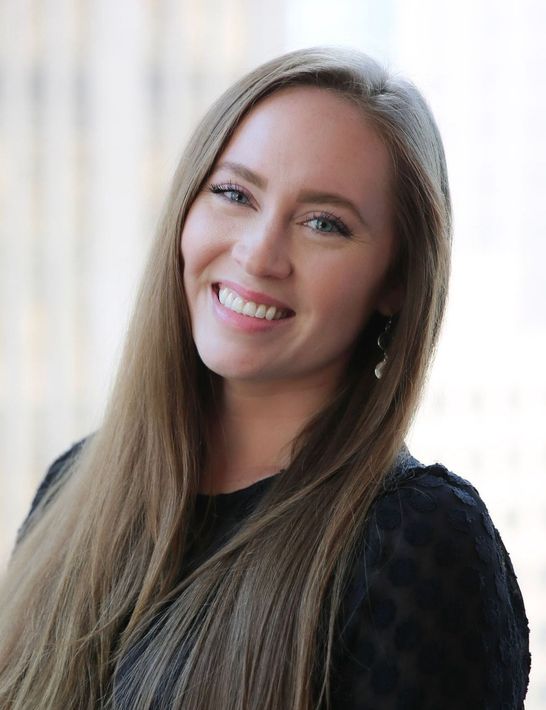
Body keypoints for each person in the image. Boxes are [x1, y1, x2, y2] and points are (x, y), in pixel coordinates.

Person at [0, 47, 530, 709]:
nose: (258, 253)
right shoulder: (71, 488)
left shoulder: (415, 545)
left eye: (323, 223)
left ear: (396, 281)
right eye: (234, 193)